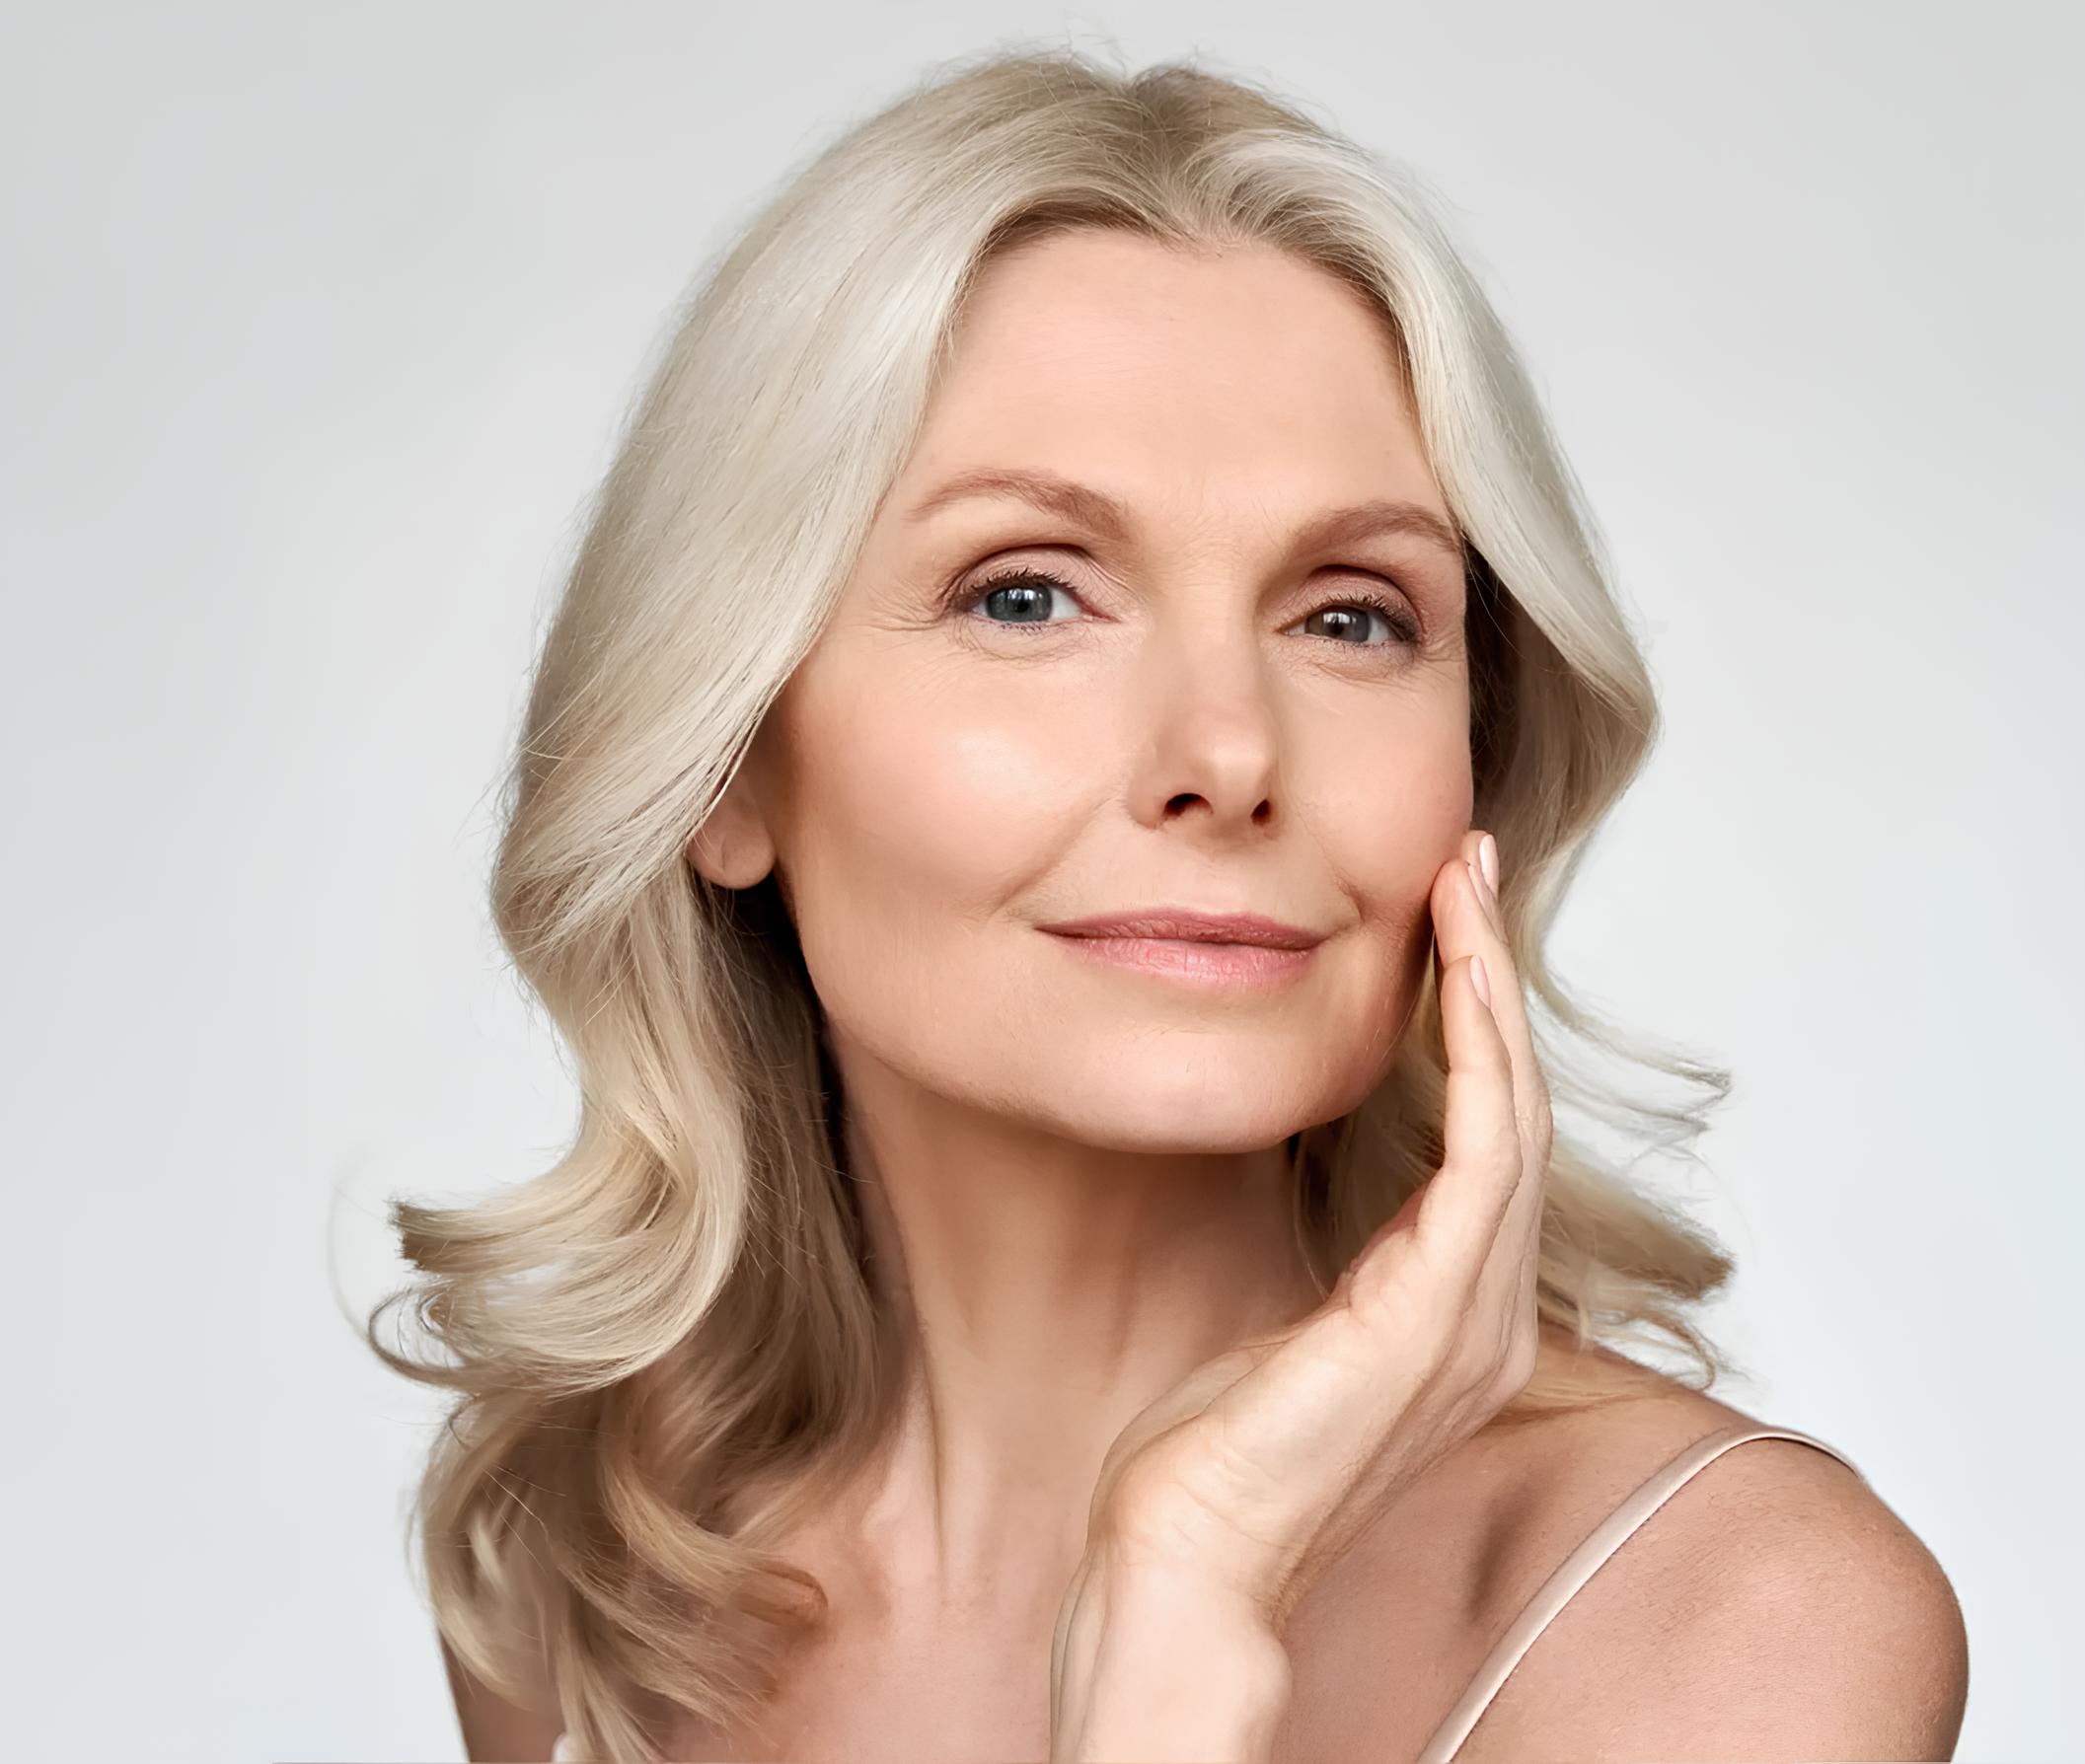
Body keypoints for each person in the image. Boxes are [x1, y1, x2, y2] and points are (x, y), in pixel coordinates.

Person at [369, 43, 1968, 1763]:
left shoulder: (1730, 1623)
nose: (1226, 752)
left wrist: (1186, 1601)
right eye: (1030, 595)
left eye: (1351, 617)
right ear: (732, 760)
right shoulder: (593, 1572)